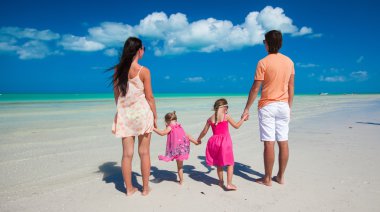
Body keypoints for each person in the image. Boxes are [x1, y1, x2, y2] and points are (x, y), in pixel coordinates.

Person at [242, 30, 295, 186]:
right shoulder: (289, 62)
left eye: (264, 42)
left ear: (267, 43)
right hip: (284, 106)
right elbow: (291, 87)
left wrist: (247, 108)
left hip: (267, 106)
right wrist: (289, 106)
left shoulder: (263, 62)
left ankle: (267, 179)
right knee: (283, 142)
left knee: (269, 143)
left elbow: (255, 88)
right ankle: (280, 177)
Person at [111, 37, 157, 196]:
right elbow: (150, 97)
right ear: (139, 50)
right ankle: (145, 189)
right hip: (143, 115)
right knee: (144, 152)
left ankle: (129, 189)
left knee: (127, 154)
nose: (144, 51)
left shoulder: (118, 70)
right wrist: (155, 116)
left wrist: (122, 111)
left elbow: (116, 95)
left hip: (125, 116)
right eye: (143, 48)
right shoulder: (144, 71)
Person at [197, 98, 248, 190]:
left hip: (214, 142)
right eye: (227, 107)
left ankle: (221, 181)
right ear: (224, 108)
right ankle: (229, 184)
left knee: (219, 163)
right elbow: (236, 126)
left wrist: (199, 139)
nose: (227, 109)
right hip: (225, 141)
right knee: (230, 163)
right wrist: (243, 119)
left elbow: (204, 131)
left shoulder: (210, 119)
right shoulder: (226, 116)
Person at [153, 111, 200, 185]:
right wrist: (195, 142)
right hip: (183, 149)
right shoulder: (179, 126)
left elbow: (162, 133)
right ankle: (181, 181)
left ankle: (181, 181)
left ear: (167, 121)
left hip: (176, 150)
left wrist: (152, 128)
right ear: (175, 119)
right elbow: (187, 135)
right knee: (180, 167)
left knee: (179, 166)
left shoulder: (170, 127)